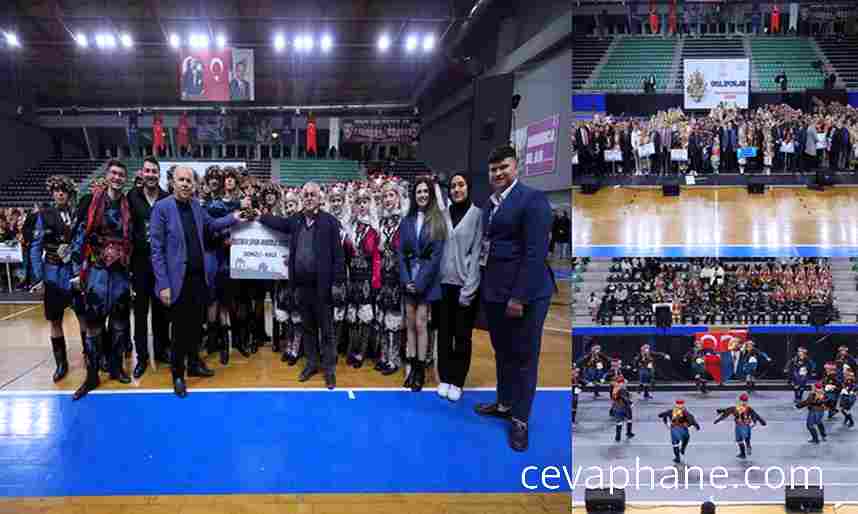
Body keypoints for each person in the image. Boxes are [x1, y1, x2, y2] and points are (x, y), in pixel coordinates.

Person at [473, 145, 554, 452]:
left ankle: (520, 419)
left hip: (526, 295)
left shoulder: (532, 200)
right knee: (502, 352)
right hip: (495, 291)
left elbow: (535, 253)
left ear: (516, 167)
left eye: (503, 167)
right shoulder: (490, 204)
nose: (497, 173)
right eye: (493, 169)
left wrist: (519, 296)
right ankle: (505, 404)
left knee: (523, 358)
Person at [150, 167, 251, 397]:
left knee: (196, 325)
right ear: (173, 182)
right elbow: (155, 250)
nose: (186, 184)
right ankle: (177, 374)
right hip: (176, 281)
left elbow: (212, 225)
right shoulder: (161, 208)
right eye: (181, 180)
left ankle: (194, 364)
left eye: (189, 180)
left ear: (194, 184)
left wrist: (234, 217)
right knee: (179, 330)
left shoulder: (196, 205)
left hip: (199, 278)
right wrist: (163, 284)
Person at [257, 182, 346, 390]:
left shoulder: (330, 222)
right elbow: (277, 223)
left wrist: (338, 283)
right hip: (302, 286)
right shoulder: (296, 219)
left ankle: (329, 369)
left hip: (323, 287)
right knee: (307, 328)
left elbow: (339, 256)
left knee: (327, 330)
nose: (308, 197)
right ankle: (312, 363)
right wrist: (259, 216)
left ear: (319, 198)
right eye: (305, 194)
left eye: (312, 194)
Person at [69, 161, 135, 400]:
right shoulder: (90, 201)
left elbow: (134, 241)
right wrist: (76, 271)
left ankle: (116, 368)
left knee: (119, 324)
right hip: (96, 272)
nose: (117, 177)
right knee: (94, 326)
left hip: (120, 274)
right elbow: (80, 235)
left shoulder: (128, 205)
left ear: (125, 179)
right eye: (114, 173)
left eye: (121, 174)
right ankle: (92, 375)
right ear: (107, 176)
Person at [29, 176, 85, 383]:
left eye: (64, 190)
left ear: (69, 193)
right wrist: (38, 277)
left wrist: (81, 270)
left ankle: (90, 357)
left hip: (75, 273)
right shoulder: (43, 215)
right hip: (52, 274)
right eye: (56, 190)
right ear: (52, 193)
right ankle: (61, 364)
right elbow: (35, 247)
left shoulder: (78, 213)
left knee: (83, 317)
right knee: (55, 321)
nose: (60, 193)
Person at [435, 173, 482, 402]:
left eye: (461, 185)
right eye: (453, 186)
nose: (456, 189)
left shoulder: (476, 215)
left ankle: (457, 380)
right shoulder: (444, 214)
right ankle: (444, 377)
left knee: (462, 336)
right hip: (444, 286)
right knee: (444, 335)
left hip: (464, 287)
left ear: (468, 187)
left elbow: (477, 254)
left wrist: (469, 289)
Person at [398, 176, 447, 392]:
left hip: (426, 282)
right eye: (419, 192)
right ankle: (412, 366)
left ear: (431, 194)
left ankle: (419, 369)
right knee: (409, 323)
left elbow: (435, 257)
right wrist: (407, 280)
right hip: (409, 279)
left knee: (420, 324)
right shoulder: (406, 221)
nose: (422, 195)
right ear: (414, 195)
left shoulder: (437, 220)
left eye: (426, 191)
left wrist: (419, 283)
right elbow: (400, 253)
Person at [126, 156, 170, 378]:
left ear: (159, 174)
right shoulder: (131, 196)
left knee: (162, 311)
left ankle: (162, 351)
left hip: (161, 265)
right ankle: (142, 357)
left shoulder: (167, 198)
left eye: (154, 171)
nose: (151, 174)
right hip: (140, 264)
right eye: (147, 171)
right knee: (141, 313)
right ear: (141, 174)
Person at [713, 393, 767, 459]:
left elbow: (726, 414)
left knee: (740, 439)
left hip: (739, 426)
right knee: (745, 438)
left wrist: (717, 420)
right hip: (746, 426)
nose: (744, 402)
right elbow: (755, 415)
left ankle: (744, 452)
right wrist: (762, 422)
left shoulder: (735, 408)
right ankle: (747, 448)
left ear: (739, 400)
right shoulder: (748, 408)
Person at [658, 399, 700, 463]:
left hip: (678, 428)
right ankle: (680, 453)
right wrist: (695, 426)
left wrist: (666, 423)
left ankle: (679, 454)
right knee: (681, 440)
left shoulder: (677, 411)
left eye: (680, 404)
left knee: (680, 441)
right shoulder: (681, 411)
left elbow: (661, 415)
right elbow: (691, 419)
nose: (680, 405)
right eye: (679, 404)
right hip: (679, 429)